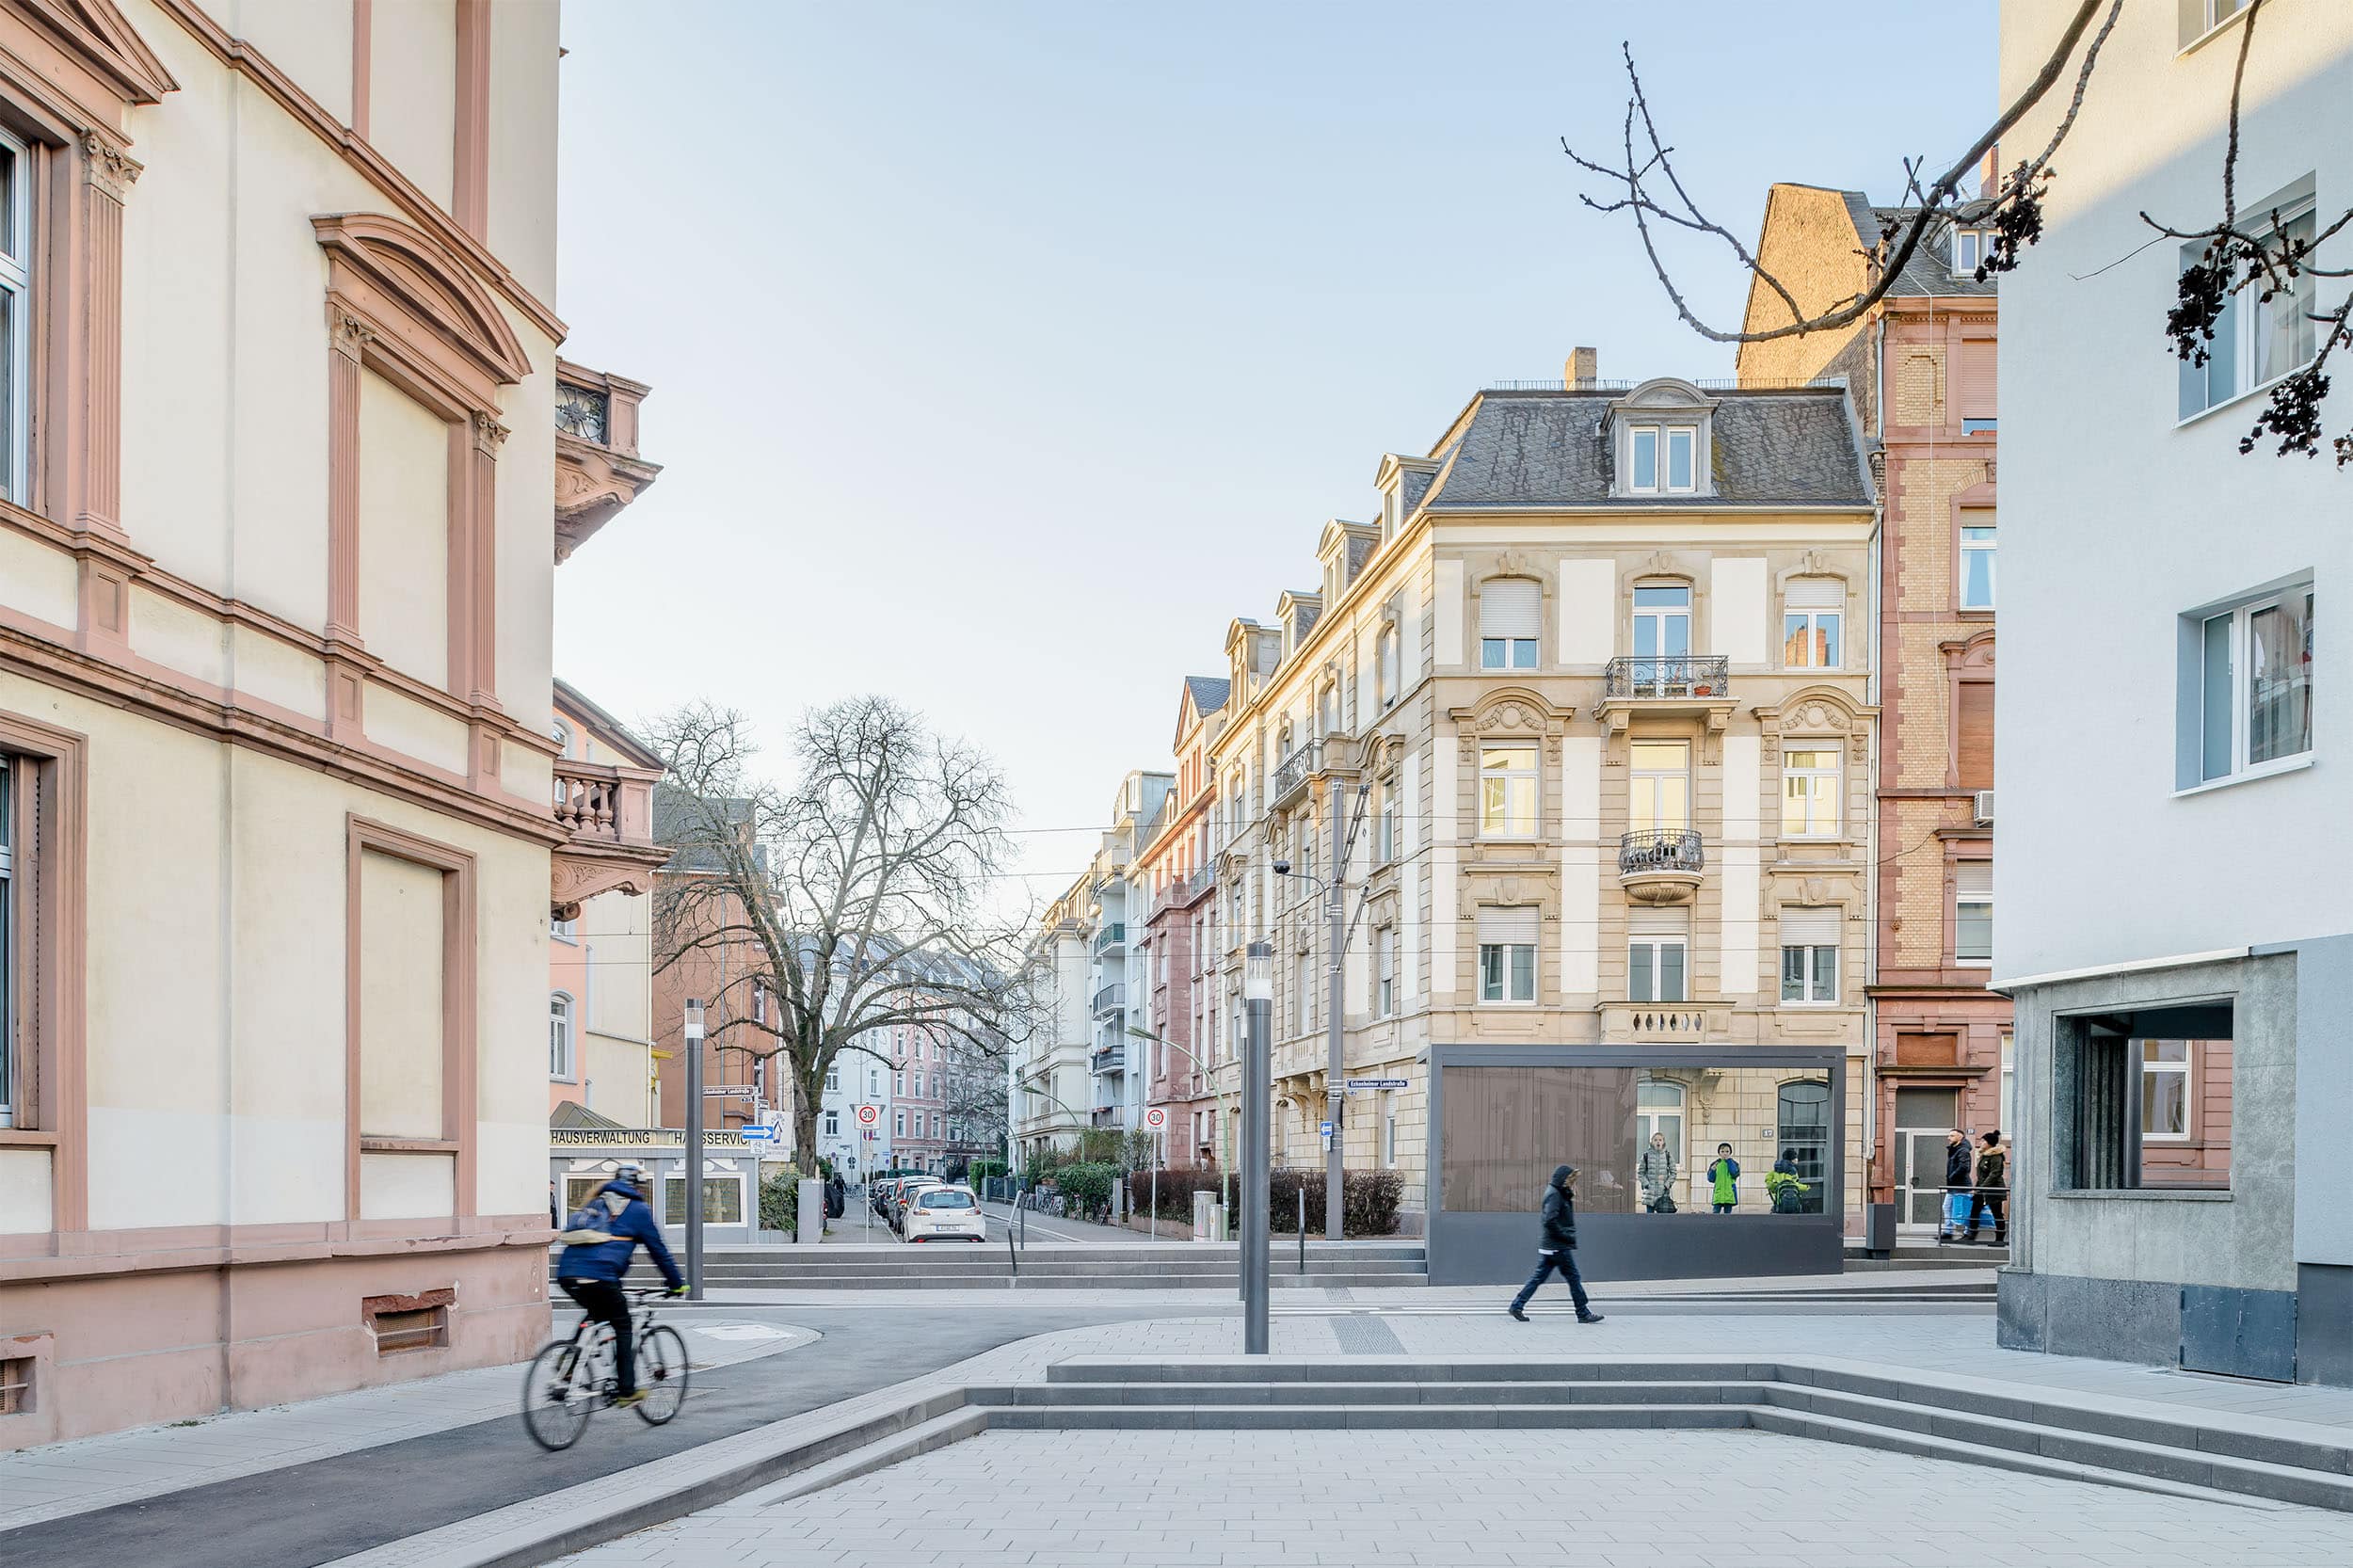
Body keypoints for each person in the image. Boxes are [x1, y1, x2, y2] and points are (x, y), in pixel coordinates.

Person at [554, 1164, 686, 1407]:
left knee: (596, 1312)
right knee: (623, 1324)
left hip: (567, 1273)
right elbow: (659, 1251)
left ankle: (569, 1362)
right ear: (636, 1187)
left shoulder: (595, 1203)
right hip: (600, 1275)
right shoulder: (638, 1209)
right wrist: (676, 1283)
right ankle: (627, 1390)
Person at [1508, 1164, 1604, 1324]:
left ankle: (1517, 1305)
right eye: (1570, 1179)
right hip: (1557, 1246)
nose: (1572, 1182)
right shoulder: (1554, 1195)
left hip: (1552, 1246)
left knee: (1538, 1277)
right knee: (1574, 1277)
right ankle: (1582, 1312)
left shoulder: (1558, 1192)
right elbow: (1550, 1220)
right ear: (1562, 1178)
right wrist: (1565, 1236)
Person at [1966, 1129, 2009, 1244]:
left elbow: (1995, 1173)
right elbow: (1981, 1175)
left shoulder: (1996, 1156)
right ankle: (1971, 1234)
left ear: (1989, 1143)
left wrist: (1983, 1187)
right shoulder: (1984, 1155)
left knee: (1997, 1213)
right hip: (1982, 1189)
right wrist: (1978, 1188)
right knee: (1974, 1211)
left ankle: (1999, 1238)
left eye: (1983, 1141)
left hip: (1994, 1189)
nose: (1981, 1142)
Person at [1941, 1128, 1977, 1241]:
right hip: (1953, 1186)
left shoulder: (1963, 1150)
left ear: (1959, 1137)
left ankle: (1967, 1233)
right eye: (1949, 1135)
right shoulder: (1955, 1149)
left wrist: (1952, 1176)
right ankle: (1948, 1232)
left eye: (1952, 1136)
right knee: (1947, 1207)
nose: (1948, 1138)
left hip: (1961, 1186)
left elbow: (1964, 1167)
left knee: (1964, 1209)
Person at [1637, 1131, 1678, 1214]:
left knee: (1662, 1221)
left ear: (1663, 1142)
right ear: (1652, 1142)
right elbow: (1640, 1173)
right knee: (1650, 1219)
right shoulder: (1646, 1155)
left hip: (1663, 1194)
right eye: (1655, 1140)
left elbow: (1673, 1172)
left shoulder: (1668, 1155)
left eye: (1660, 1140)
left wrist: (1667, 1185)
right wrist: (1646, 1184)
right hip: (1650, 1193)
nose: (1658, 1142)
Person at [1766, 1148, 1812, 1213]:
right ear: (1791, 1159)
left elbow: (1768, 1178)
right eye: (1795, 1158)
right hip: (1792, 1201)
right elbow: (1793, 1185)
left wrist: (1774, 1186)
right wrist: (1806, 1187)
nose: (1797, 1160)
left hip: (1780, 1201)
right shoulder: (1792, 1170)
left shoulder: (1776, 1169)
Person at [1705, 1144, 1740, 1214]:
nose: (1725, 1154)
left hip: (1729, 1194)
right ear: (1719, 1153)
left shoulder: (1734, 1163)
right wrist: (1712, 1170)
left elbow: (1734, 1173)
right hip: (1718, 1194)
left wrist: (1729, 1161)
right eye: (1722, 1151)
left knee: (1727, 1215)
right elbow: (1711, 1179)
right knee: (1715, 1214)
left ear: (1730, 1153)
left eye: (1727, 1152)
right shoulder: (1715, 1164)